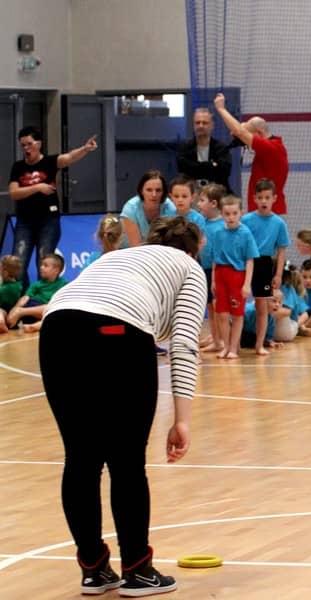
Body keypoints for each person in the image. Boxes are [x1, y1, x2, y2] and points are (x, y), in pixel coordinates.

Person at [38, 216, 205, 597]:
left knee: (80, 458)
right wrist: (182, 420)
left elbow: (91, 304)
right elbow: (183, 344)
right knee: (126, 462)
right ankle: (137, 570)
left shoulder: (117, 258)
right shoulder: (189, 267)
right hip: (117, 332)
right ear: (194, 249)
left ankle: (94, 569)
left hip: (57, 329)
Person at [8, 126, 98, 291]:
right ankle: (24, 296)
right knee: (18, 262)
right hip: (25, 221)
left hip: (48, 221)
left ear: (39, 144)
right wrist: (37, 187)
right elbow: (14, 193)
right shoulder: (18, 167)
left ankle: (43, 298)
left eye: (29, 144)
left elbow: (69, 157)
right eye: (23, 145)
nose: (26, 149)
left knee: (44, 263)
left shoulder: (49, 162)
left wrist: (85, 148)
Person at [213, 92, 288, 214]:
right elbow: (237, 131)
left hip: (269, 213)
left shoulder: (271, 148)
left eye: (249, 136)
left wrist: (221, 109)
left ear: (259, 133)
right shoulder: (273, 147)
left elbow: (239, 132)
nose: (245, 142)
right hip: (262, 212)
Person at [242, 179, 290, 355]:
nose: (264, 201)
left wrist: (278, 274)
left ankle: (260, 344)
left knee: (262, 307)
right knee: (237, 304)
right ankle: (231, 343)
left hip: (264, 264)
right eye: (260, 197)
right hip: (246, 262)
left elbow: (281, 251)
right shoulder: (246, 220)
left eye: (267, 197)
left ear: (274, 198)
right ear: (254, 198)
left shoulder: (279, 223)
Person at [211, 195, 259, 359]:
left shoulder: (245, 233)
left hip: (237, 275)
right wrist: (213, 280)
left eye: (234, 213)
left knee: (237, 314)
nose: (231, 217)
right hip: (220, 275)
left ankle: (233, 348)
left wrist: (247, 284)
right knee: (222, 314)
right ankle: (225, 346)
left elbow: (250, 260)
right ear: (221, 214)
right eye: (227, 214)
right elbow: (215, 258)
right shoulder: (218, 232)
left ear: (240, 213)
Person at [197, 183, 227, 353]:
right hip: (205, 269)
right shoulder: (203, 223)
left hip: (219, 271)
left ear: (214, 203)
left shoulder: (222, 226)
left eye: (202, 200)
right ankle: (215, 339)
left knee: (218, 307)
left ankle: (222, 339)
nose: (199, 204)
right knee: (210, 305)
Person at [6, 253, 67, 333]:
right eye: (41, 265)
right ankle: (21, 314)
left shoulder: (63, 284)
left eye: (45, 266)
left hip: (44, 312)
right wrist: (15, 310)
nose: (41, 267)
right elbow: (25, 298)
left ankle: (33, 325)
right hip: (32, 306)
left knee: (54, 311)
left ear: (56, 270)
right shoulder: (37, 284)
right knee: (49, 309)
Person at [176, 107, 232, 191]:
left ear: (212, 125)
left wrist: (195, 166)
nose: (200, 126)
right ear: (193, 125)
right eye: (197, 123)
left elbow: (224, 172)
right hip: (192, 193)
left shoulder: (222, 148)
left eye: (204, 123)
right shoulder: (184, 147)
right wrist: (212, 165)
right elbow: (183, 171)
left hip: (217, 193)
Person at [119, 170, 177, 248]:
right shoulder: (131, 208)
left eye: (158, 190)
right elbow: (136, 247)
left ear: (163, 192)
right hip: (128, 251)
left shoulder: (170, 207)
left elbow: (170, 242)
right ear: (141, 191)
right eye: (149, 190)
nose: (154, 194)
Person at [0, 255, 24, 334]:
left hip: (6, 314)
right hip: (13, 316)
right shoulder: (18, 285)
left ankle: (1, 321)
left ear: (5, 272)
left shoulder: (5, 289)